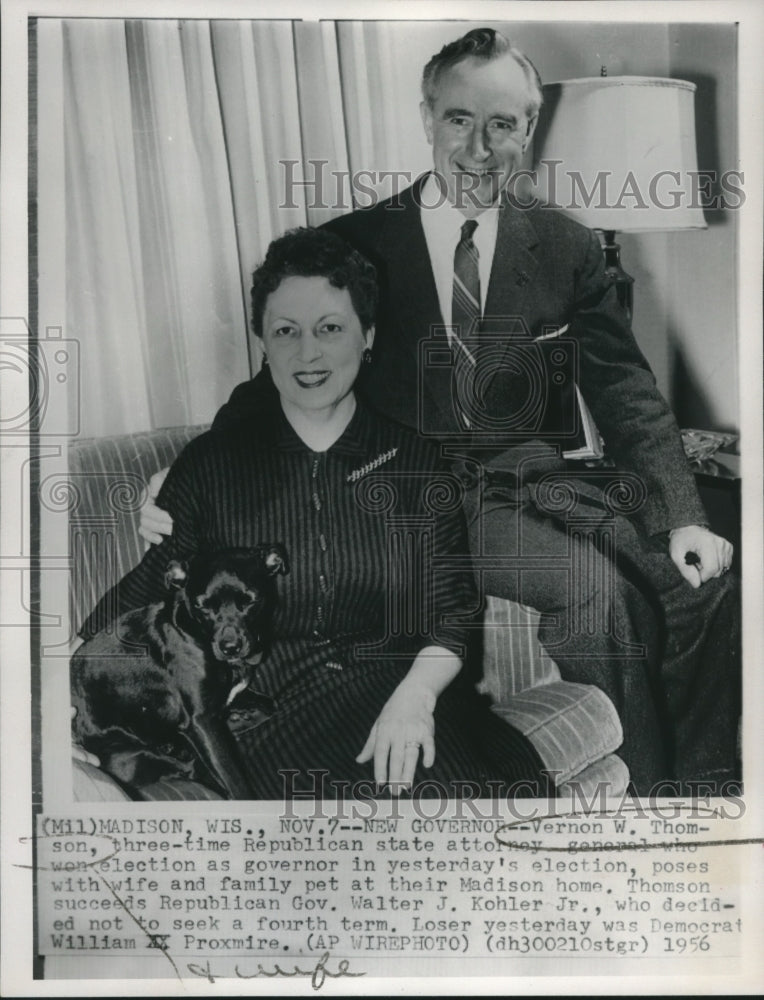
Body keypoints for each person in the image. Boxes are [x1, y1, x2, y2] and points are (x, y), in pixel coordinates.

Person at [140, 28, 740, 795]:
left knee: (704, 578)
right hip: (414, 497)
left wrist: (683, 512)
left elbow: (624, 388)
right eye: (460, 119)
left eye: (503, 125)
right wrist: (182, 472)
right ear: (427, 118)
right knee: (595, 594)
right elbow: (282, 378)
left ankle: (705, 791)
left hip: (531, 481)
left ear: (531, 127)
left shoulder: (565, 246)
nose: (480, 149)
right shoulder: (351, 242)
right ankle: (647, 817)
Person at [83, 227, 551, 800]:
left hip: (402, 690)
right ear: (263, 342)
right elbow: (141, 594)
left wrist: (416, 699)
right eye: (286, 331)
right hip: (274, 714)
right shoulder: (212, 464)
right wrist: (51, 687)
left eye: (330, 328)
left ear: (368, 336)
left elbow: (450, 609)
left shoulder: (416, 462)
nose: (308, 353)